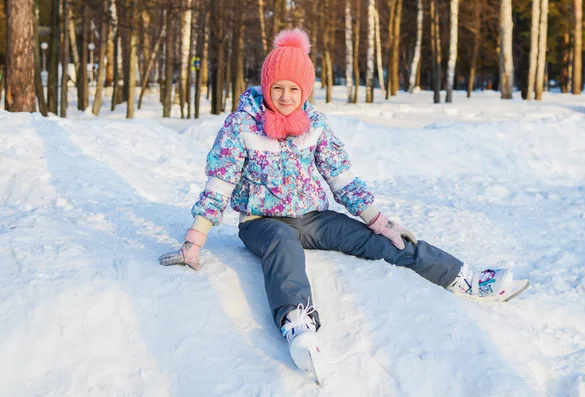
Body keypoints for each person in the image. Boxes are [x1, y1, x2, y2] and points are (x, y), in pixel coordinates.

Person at [159, 28, 529, 376]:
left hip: (314, 216)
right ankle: (297, 323)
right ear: (265, 84)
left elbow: (341, 177)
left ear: (305, 91)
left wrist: (377, 220)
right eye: (278, 87)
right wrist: (195, 240)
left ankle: (462, 277)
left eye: (293, 89)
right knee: (283, 249)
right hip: (262, 222)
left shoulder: (314, 123)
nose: (285, 96)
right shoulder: (242, 126)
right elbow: (219, 185)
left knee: (387, 241)